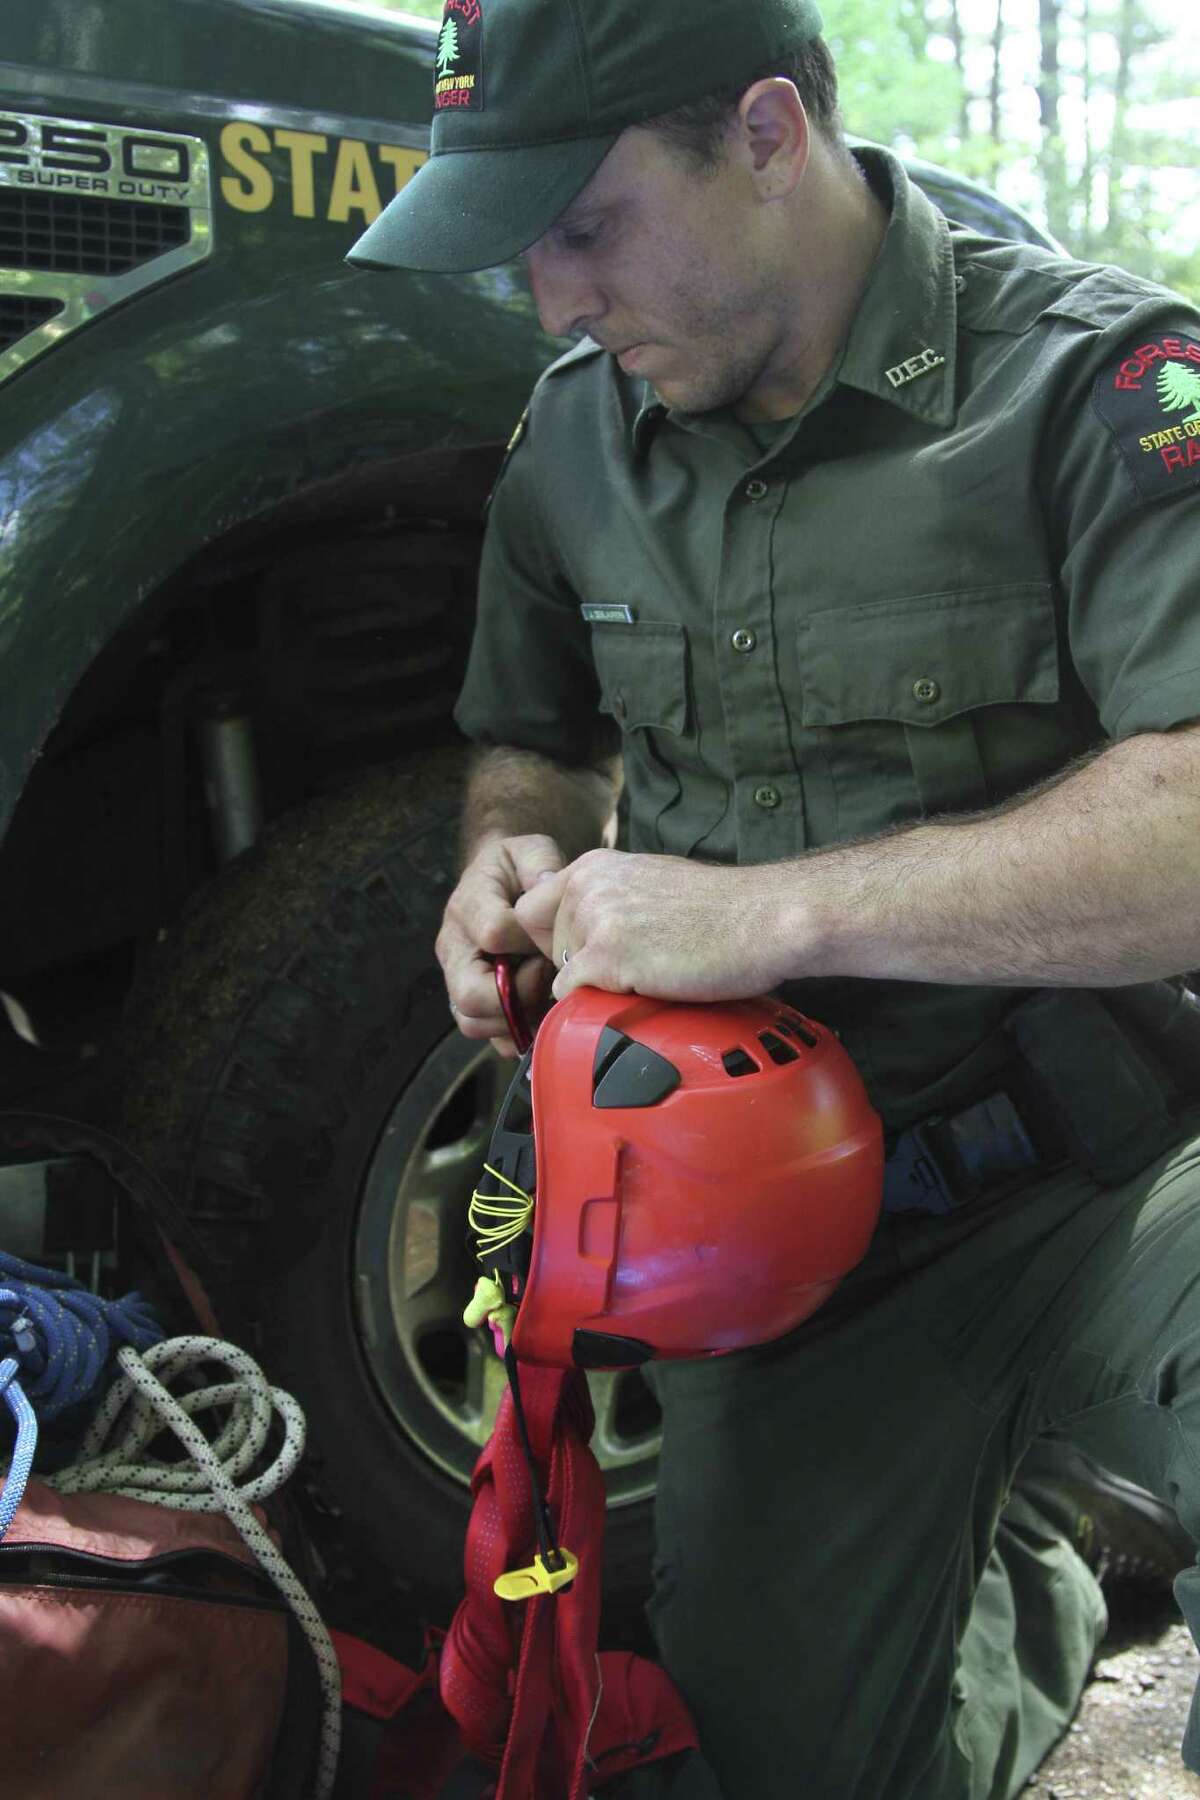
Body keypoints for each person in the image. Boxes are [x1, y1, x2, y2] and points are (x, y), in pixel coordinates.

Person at [348, 1, 1200, 1794]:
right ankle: (1038, 1555)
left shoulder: (1102, 389)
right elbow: (533, 738)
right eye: (525, 256)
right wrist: (512, 852)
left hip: (1133, 1171)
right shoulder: (574, 445)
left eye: (582, 228)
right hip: (797, 1237)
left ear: (761, 133)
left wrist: (779, 913)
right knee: (798, 1751)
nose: (555, 298)